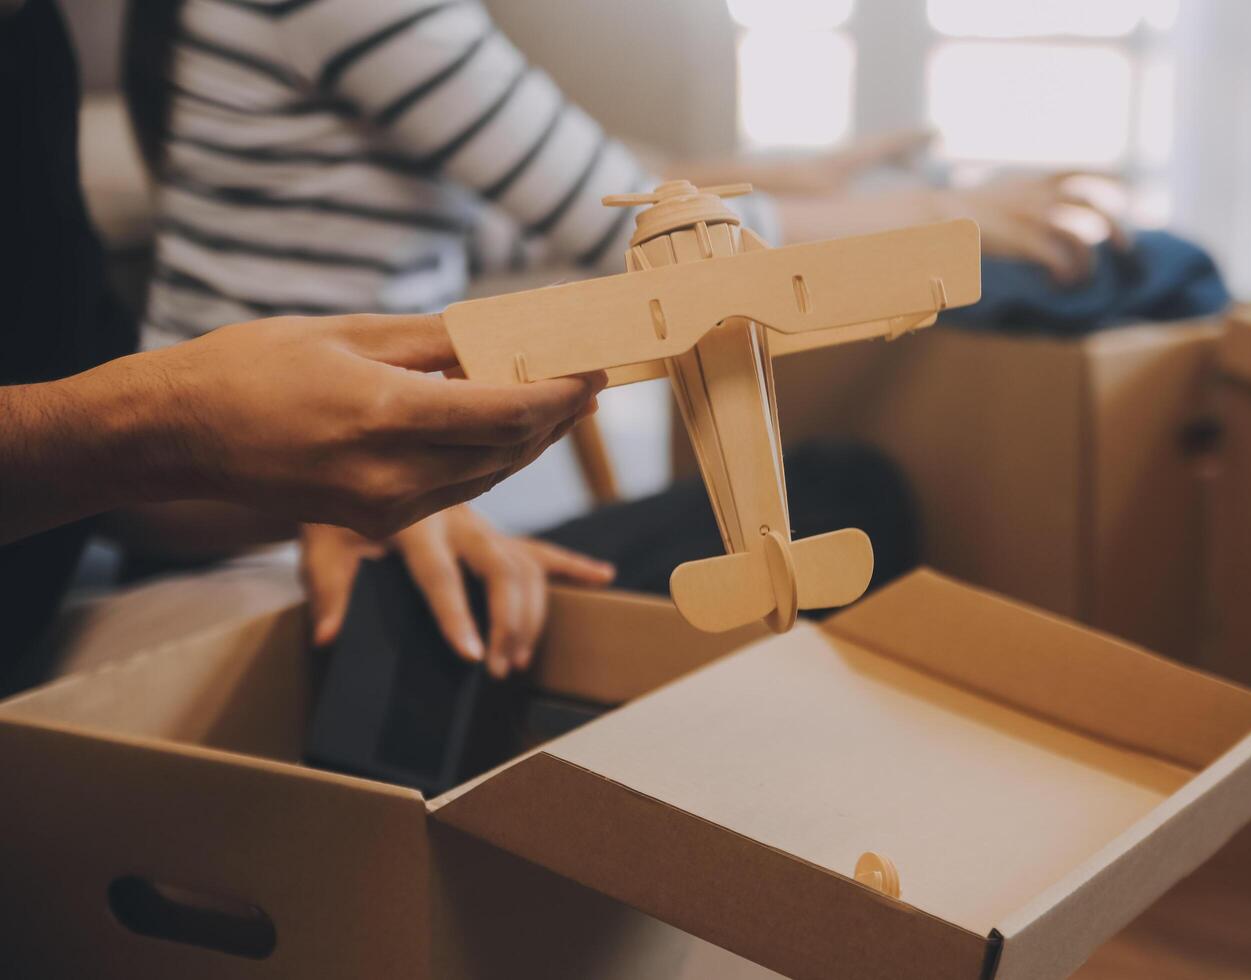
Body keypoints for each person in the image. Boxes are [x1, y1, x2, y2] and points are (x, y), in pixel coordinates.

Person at [117, 0, 1112, 673]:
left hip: (244, 526)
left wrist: (772, 176)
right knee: (855, 486)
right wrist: (946, 206)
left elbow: (532, 201)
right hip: (272, 542)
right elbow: (608, 222)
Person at [0, 0, 600, 695]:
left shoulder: (33, 37)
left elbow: (80, 464)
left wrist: (309, 497)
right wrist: (170, 423)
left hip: (109, 575)